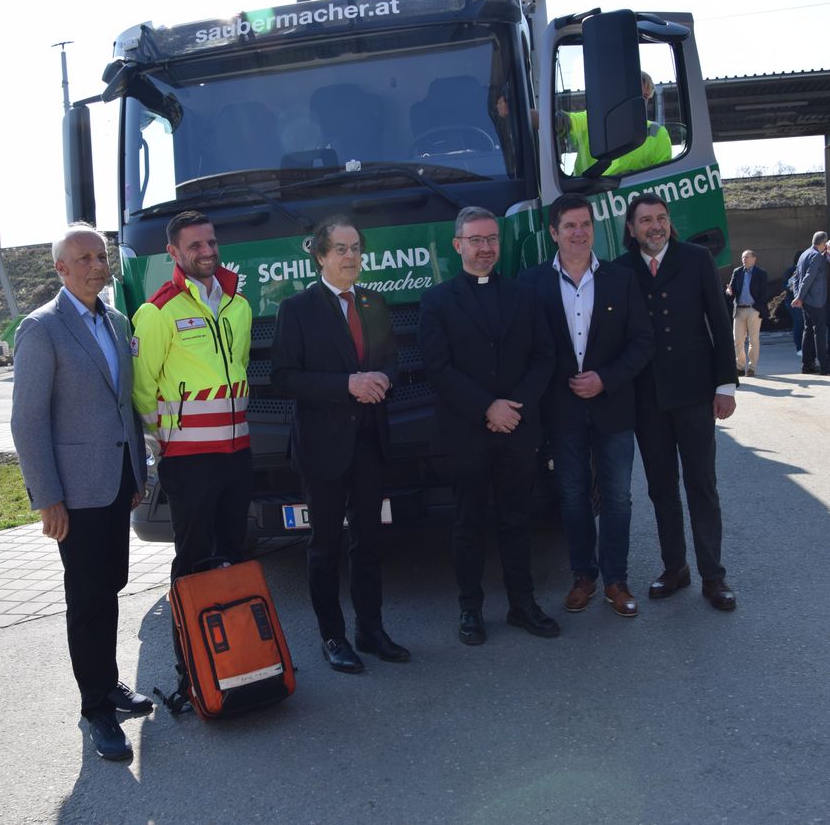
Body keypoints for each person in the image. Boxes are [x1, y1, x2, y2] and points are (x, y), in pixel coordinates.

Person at [11, 224, 149, 761]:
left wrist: (136, 472)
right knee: (86, 598)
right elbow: (28, 422)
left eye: (100, 255)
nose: (96, 265)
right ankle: (96, 710)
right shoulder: (41, 329)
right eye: (83, 259)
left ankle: (108, 680)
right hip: (74, 493)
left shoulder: (115, 321)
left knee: (109, 585)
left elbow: (124, 406)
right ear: (61, 270)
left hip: (116, 484)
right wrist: (47, 497)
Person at [271, 216, 409, 673]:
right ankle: (333, 637)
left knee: (369, 543)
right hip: (322, 449)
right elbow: (284, 378)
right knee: (325, 546)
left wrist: (381, 379)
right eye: (341, 249)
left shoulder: (374, 302)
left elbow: (392, 363)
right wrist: (347, 383)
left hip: (370, 443)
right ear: (321, 256)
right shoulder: (298, 308)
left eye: (356, 248)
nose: (351, 256)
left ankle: (371, 630)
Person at [418, 206, 558, 645]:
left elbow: (544, 357)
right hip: (466, 432)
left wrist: (513, 406)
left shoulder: (524, 294)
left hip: (518, 428)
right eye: (475, 240)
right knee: (468, 523)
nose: (485, 248)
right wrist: (487, 407)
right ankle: (470, 609)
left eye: (491, 239)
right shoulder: (437, 300)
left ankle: (522, 604)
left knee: (517, 521)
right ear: (457, 244)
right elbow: (437, 368)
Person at [131, 210, 253, 693]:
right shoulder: (157, 311)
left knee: (234, 557)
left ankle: (238, 657)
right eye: (195, 246)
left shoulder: (238, 305)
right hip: (188, 462)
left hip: (237, 453)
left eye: (211, 242)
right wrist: (171, 438)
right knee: (193, 562)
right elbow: (142, 392)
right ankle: (192, 669)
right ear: (174, 254)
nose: (206, 252)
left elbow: (237, 371)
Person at [519, 195, 655, 617]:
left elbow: (643, 342)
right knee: (573, 495)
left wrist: (605, 378)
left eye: (585, 225)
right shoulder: (531, 284)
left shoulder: (619, 279)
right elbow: (528, 350)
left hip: (613, 406)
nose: (579, 233)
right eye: (570, 226)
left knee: (617, 497)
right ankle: (584, 577)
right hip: (561, 411)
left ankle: (615, 580)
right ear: (554, 233)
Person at [616, 194, 738, 611]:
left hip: (694, 393)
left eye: (661, 218)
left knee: (702, 484)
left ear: (670, 223)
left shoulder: (696, 258)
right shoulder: (620, 269)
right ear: (631, 228)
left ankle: (714, 576)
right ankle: (675, 568)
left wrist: (726, 384)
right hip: (647, 399)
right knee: (661, 488)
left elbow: (719, 323)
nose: (655, 226)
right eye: (645, 220)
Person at [558, 72, 672, 177]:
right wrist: (556, 120)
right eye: (634, 94)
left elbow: (664, 180)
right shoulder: (592, 121)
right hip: (585, 196)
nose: (639, 101)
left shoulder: (657, 133)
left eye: (645, 97)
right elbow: (565, 122)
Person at [791, 231, 829, 375]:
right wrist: (799, 297)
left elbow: (796, 278)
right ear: (824, 243)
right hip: (815, 300)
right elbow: (808, 278)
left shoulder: (804, 254)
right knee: (819, 332)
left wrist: (798, 296)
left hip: (806, 300)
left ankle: (807, 365)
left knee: (808, 331)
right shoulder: (817, 256)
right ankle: (825, 367)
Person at [726, 249, 768, 376]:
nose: (744, 259)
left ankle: (752, 368)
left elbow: (765, 292)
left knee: (753, 340)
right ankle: (740, 366)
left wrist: (757, 307)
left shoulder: (761, 273)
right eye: (743, 257)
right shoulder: (737, 272)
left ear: (754, 259)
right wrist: (729, 292)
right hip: (739, 309)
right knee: (737, 339)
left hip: (753, 309)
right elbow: (731, 289)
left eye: (747, 257)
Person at [782, 251, 804, 356]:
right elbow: (786, 286)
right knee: (799, 322)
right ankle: (799, 347)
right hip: (792, 301)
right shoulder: (791, 270)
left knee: (805, 324)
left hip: (804, 301)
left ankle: (806, 347)